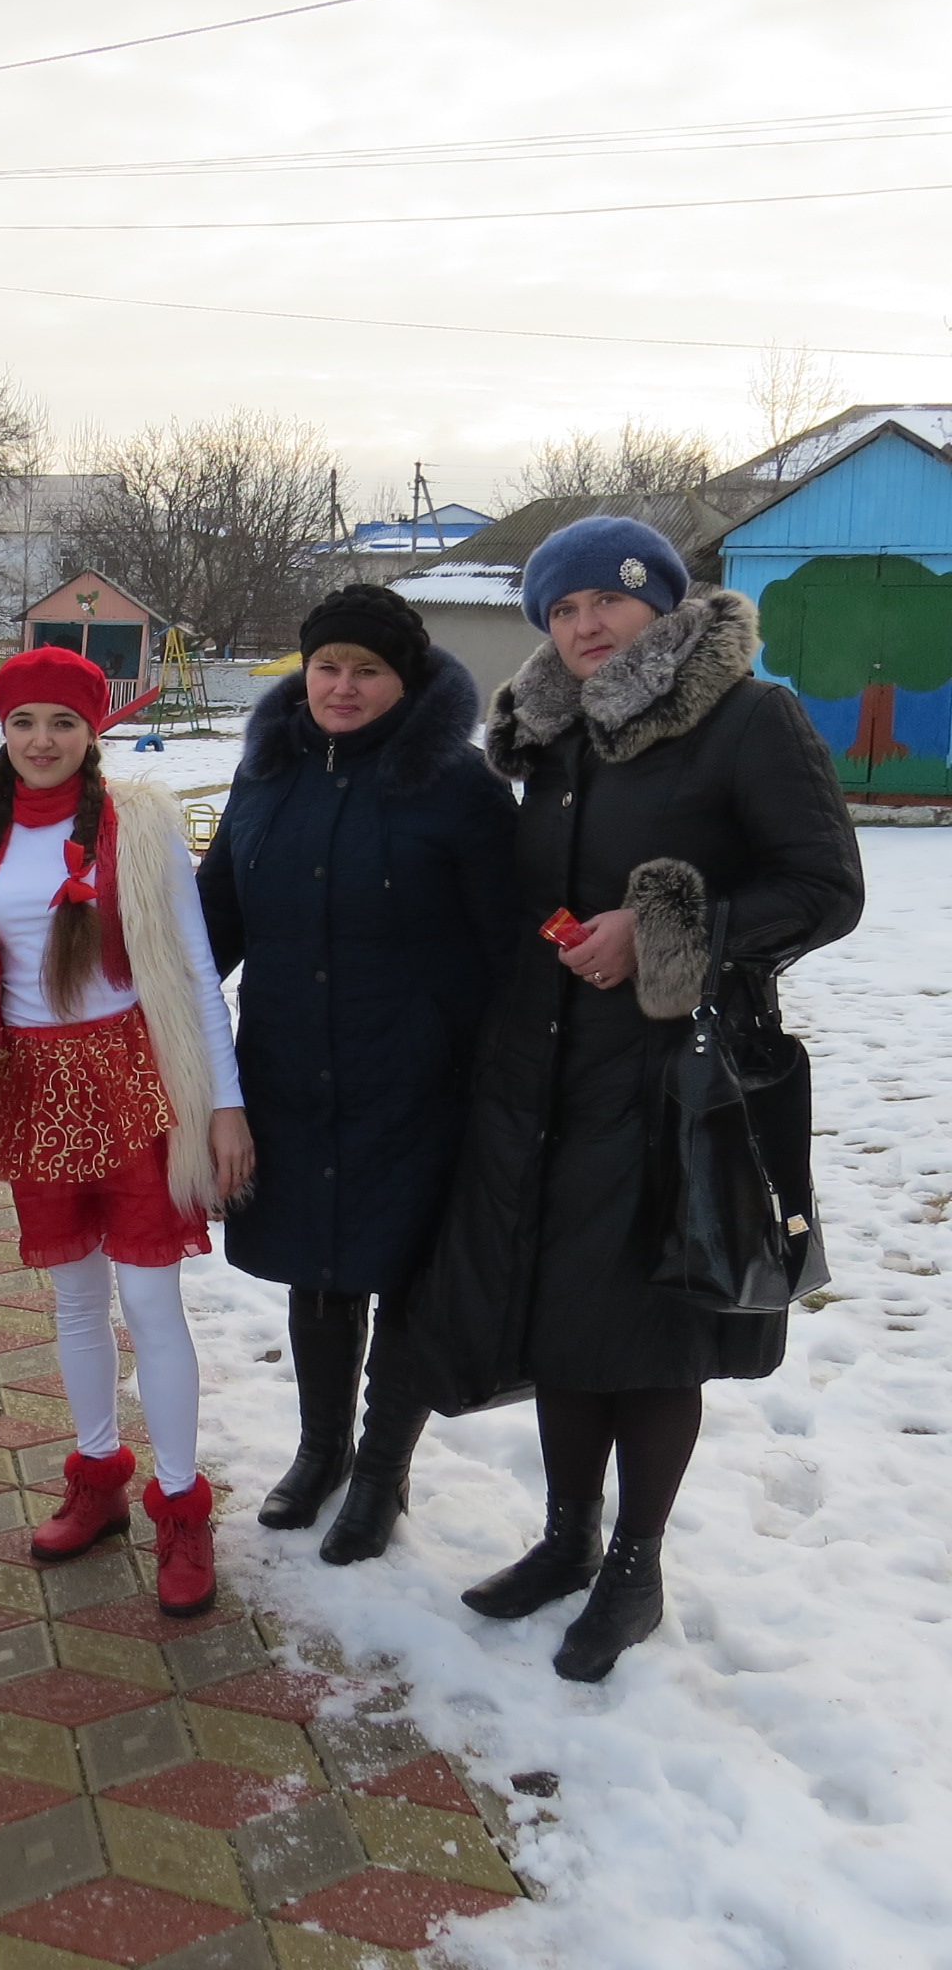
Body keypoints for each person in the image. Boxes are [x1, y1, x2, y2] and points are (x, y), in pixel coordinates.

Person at [411, 517, 864, 1681]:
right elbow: (537, 895)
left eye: (607, 600)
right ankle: (568, 1537)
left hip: (675, 1083)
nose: (586, 625)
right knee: (563, 1315)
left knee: (654, 1332)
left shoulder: (749, 718)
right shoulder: (554, 737)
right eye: (562, 611)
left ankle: (636, 1563)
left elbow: (825, 887)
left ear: (662, 601)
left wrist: (661, 932)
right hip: (545, 1078)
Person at [0, 645, 254, 1619]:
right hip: (31, 1086)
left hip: (130, 1084)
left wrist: (225, 1103)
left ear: (91, 728)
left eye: (63, 721)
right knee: (74, 1300)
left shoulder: (138, 828)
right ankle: (98, 1477)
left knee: (149, 1302)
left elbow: (194, 973)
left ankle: (181, 1508)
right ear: (4, 731)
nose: (42, 740)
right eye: (24, 722)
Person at [199, 585, 518, 1564]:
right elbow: (214, 920)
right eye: (327, 666)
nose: (342, 686)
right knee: (319, 1269)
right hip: (290, 1067)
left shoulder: (458, 787)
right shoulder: (266, 775)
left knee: (405, 1273)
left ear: (405, 678)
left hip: (416, 1079)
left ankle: (382, 1471)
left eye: (367, 670)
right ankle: (322, 1449)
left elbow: (512, 938)